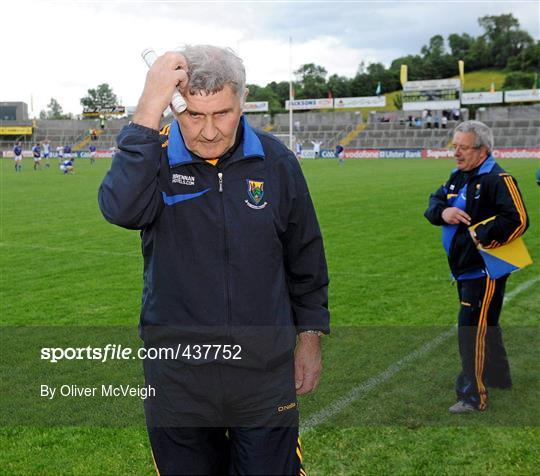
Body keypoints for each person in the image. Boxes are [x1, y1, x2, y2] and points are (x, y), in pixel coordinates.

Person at [98, 45, 329, 475]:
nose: (208, 131)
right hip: (178, 377)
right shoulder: (157, 156)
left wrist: (311, 336)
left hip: (263, 374)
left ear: (243, 102)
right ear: (174, 108)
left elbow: (306, 256)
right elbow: (121, 209)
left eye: (221, 113)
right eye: (192, 115)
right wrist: (149, 108)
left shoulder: (277, 163)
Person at [424, 120, 529, 414]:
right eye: (454, 146)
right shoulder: (457, 177)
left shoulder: (498, 178)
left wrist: (478, 234)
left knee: (471, 328)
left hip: (484, 270)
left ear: (482, 150)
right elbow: (432, 203)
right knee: (486, 325)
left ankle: (473, 396)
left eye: (463, 147)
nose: (456, 153)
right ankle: (499, 377)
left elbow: (518, 220)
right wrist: (443, 211)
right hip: (464, 269)